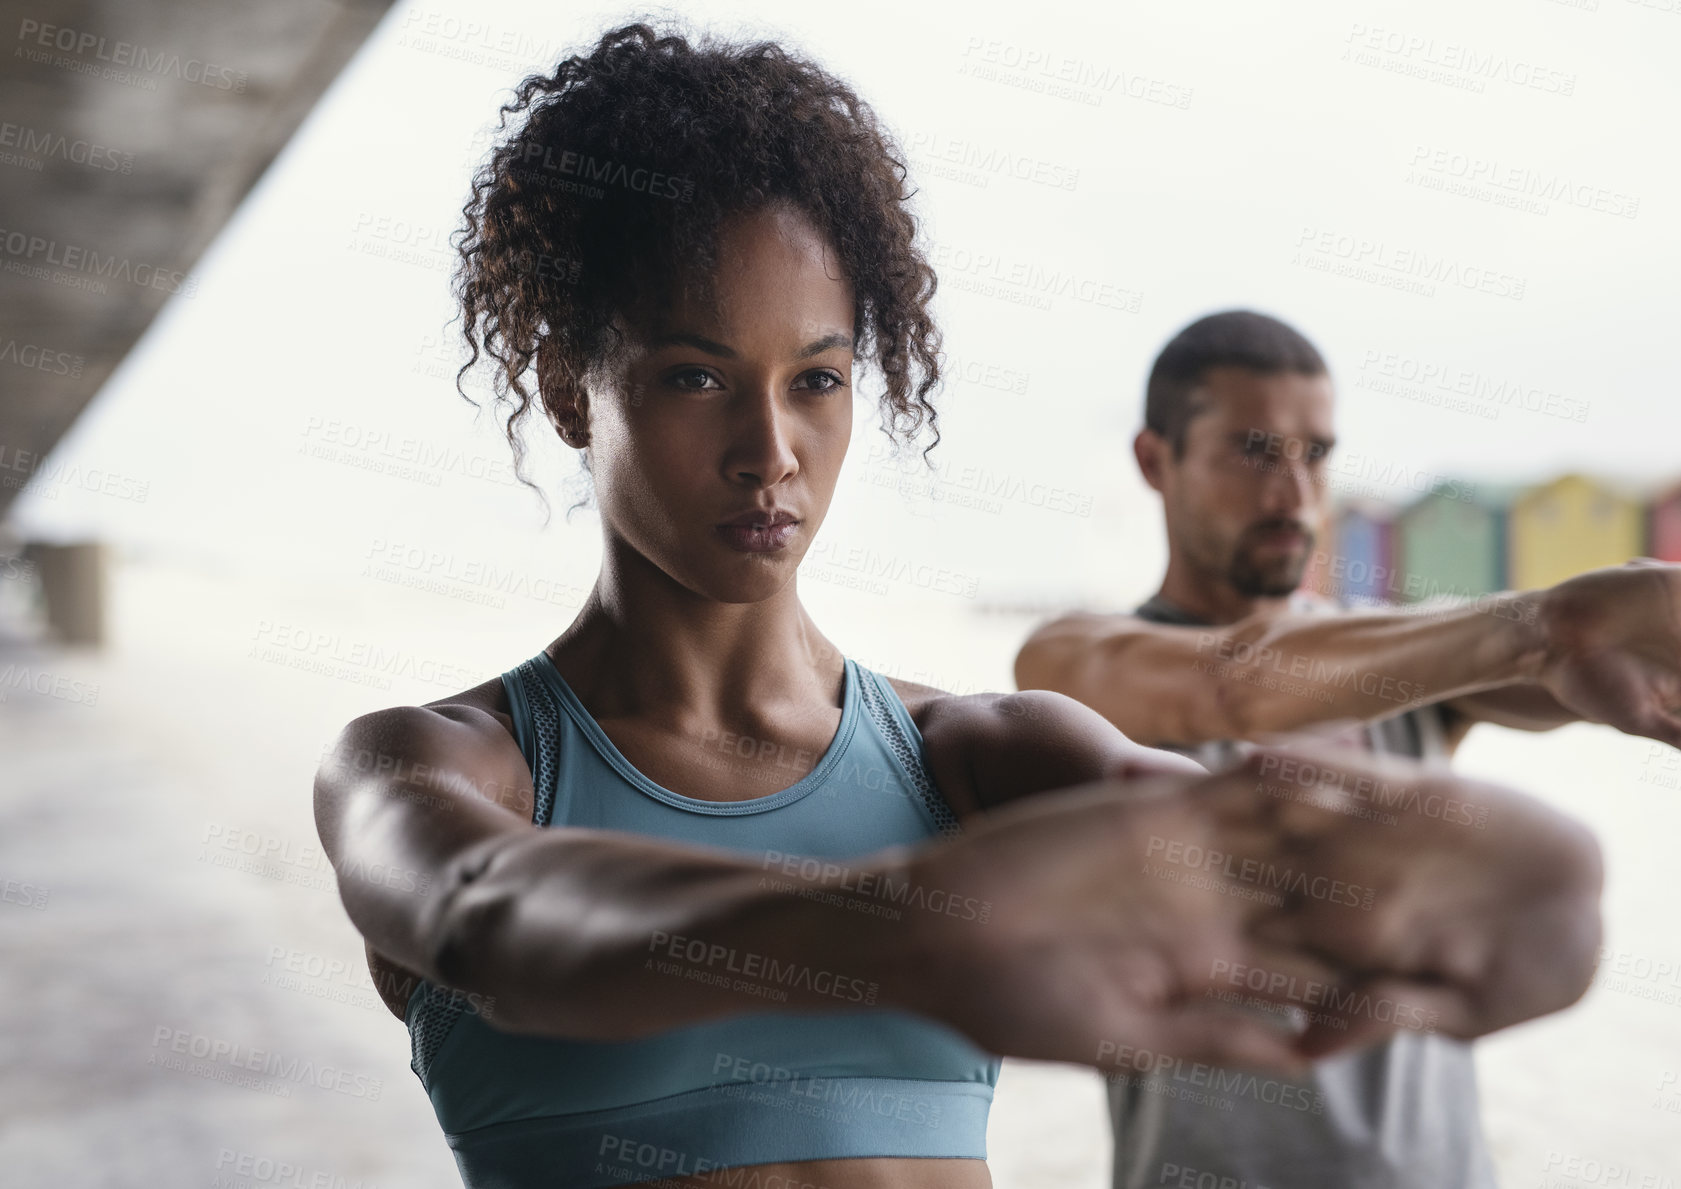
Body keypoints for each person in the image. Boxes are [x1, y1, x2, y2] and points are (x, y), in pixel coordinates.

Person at [312, 33, 1604, 1189]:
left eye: (816, 379)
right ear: (566, 387)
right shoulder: (431, 763)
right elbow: (490, 919)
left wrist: (1471, 885)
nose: (771, 447)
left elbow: (1222, 854)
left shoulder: (981, 755)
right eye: (697, 375)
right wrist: (900, 934)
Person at [1014, 308, 1681, 1188]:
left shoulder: (1403, 665)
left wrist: (1610, 652)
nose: (1293, 493)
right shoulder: (1074, 659)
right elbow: (1231, 684)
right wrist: (1545, 626)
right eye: (1253, 450)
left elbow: (1559, 667)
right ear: (1154, 460)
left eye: (1315, 453)